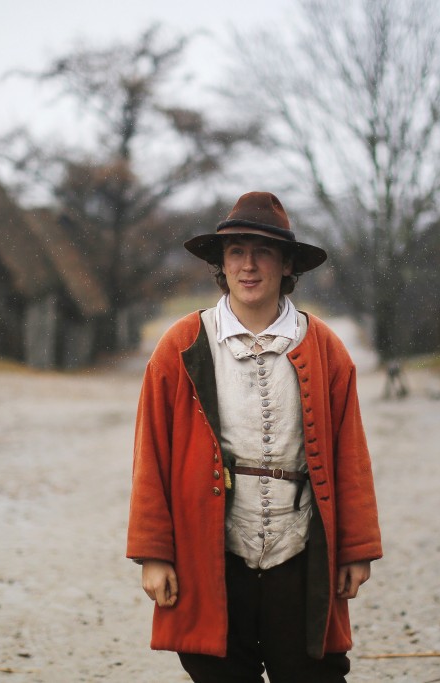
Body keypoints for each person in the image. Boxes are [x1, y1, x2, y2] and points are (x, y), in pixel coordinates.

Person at [127, 191, 383, 683]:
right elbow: (150, 456)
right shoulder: (182, 345)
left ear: (287, 264)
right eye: (236, 252)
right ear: (221, 264)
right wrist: (154, 554)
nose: (249, 265)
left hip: (299, 552)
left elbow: (350, 454)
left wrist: (356, 549)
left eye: (263, 251)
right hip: (212, 553)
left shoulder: (325, 347)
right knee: (219, 670)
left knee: (314, 671)